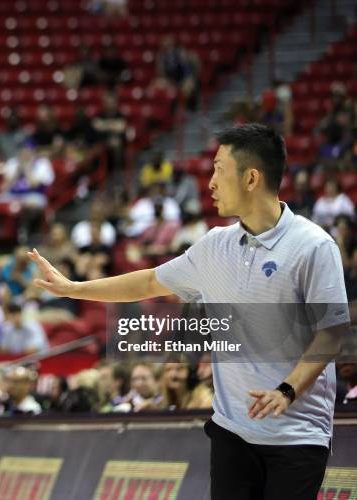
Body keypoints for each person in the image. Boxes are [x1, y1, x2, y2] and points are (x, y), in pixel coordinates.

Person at [28, 123, 350, 499]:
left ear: (251, 178)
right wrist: (73, 289)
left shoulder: (314, 246)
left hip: (296, 435)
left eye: (218, 169)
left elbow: (332, 334)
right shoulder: (216, 245)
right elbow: (150, 282)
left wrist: (287, 390)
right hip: (232, 433)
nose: (210, 181)